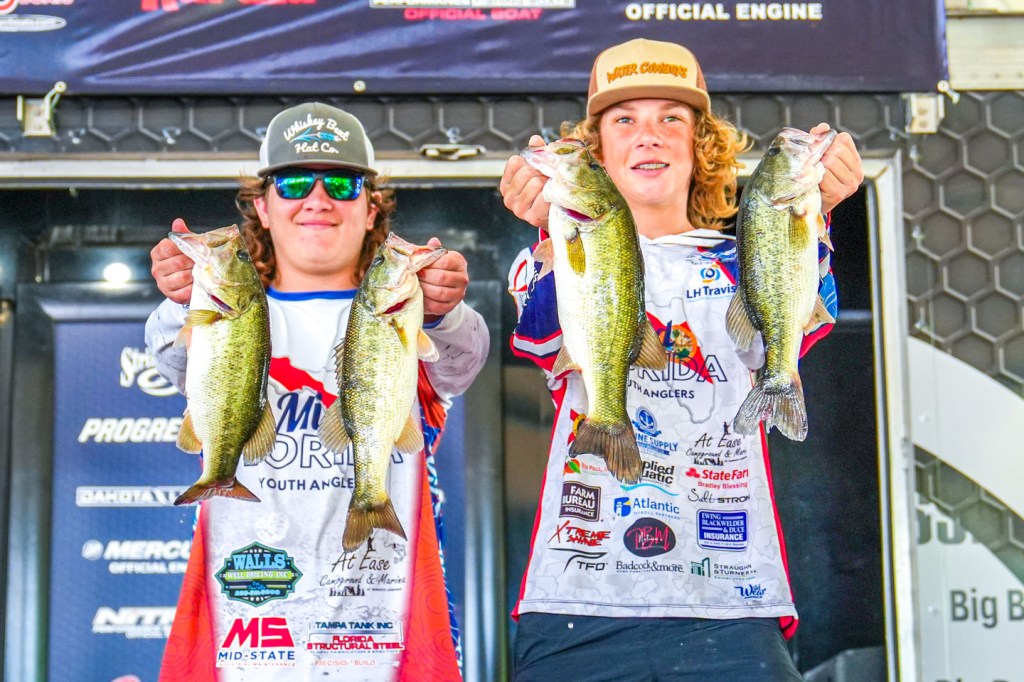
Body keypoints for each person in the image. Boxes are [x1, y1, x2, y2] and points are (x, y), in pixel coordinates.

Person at [499, 38, 863, 681]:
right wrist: (551, 231)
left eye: (672, 118)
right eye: (624, 120)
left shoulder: (749, 254)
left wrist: (817, 216)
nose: (650, 135)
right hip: (577, 599)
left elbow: (800, 326)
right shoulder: (547, 257)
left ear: (702, 147)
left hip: (733, 601)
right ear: (595, 153)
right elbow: (542, 339)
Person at [146, 101, 489, 681]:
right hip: (245, 621)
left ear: (371, 206)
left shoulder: (410, 309)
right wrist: (182, 299)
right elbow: (170, 359)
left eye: (343, 184)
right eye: (294, 183)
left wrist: (444, 311)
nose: (318, 199)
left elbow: (461, 364)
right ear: (262, 206)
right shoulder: (224, 311)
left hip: (384, 621)